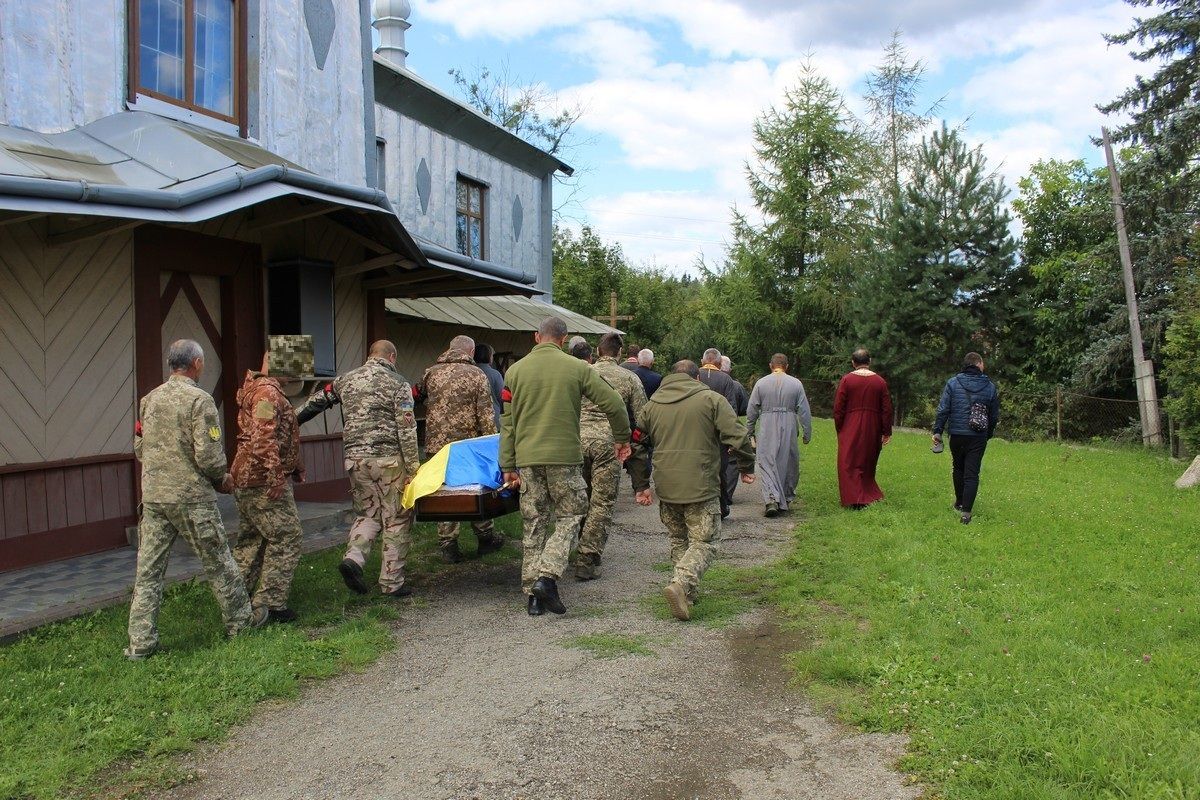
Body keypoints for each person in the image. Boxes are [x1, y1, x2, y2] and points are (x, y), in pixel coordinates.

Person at [126, 339, 265, 660]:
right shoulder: (199, 401)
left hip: (155, 499)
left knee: (148, 573)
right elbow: (209, 454)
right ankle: (241, 623)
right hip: (193, 501)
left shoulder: (149, 401)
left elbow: (139, 448)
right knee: (218, 561)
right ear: (197, 364)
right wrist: (222, 478)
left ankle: (141, 643)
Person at [500, 316, 631, 616]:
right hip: (564, 457)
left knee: (533, 523)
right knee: (571, 516)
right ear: (564, 338)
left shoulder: (514, 373)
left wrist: (508, 463)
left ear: (536, 337)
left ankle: (533, 596)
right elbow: (613, 403)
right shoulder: (577, 369)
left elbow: (507, 423)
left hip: (527, 459)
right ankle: (547, 577)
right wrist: (622, 438)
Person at [630, 360, 755, 621]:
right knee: (705, 542)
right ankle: (681, 583)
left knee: (679, 540)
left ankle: (687, 594)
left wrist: (641, 484)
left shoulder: (651, 406)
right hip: (700, 483)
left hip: (666, 484)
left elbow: (637, 445)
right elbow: (739, 436)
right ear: (697, 378)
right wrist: (746, 466)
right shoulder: (712, 400)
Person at [296, 340, 420, 596]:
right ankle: (391, 583)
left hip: (355, 461)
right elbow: (407, 429)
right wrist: (413, 469)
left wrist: (289, 422)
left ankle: (354, 559)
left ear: (370, 355)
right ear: (392, 357)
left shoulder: (345, 380)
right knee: (396, 518)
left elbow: (315, 404)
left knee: (367, 514)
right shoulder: (398, 384)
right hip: (389, 462)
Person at [230, 347, 306, 624]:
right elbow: (263, 438)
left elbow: (278, 432)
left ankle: (234, 598)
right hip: (262, 479)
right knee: (287, 536)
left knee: (253, 538)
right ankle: (271, 604)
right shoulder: (267, 393)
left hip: (249, 476)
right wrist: (276, 475)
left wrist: (294, 463)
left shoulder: (260, 389)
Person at [420, 334, 505, 562]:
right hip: (467, 446)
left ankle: (448, 545)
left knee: (443, 491)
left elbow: (419, 395)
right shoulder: (477, 374)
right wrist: (491, 444)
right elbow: (486, 414)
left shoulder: (430, 372)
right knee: (474, 488)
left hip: (436, 444)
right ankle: (485, 537)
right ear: (470, 352)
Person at [573, 333, 649, 581]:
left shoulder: (581, 372)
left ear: (597, 350)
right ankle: (587, 555)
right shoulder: (629, 377)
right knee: (602, 501)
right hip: (608, 442)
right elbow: (642, 416)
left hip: (576, 441)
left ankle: (578, 543)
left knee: (580, 497)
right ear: (619, 353)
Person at [932, 352, 1000, 525]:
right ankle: (966, 513)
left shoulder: (953, 383)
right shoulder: (990, 386)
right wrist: (988, 433)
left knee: (958, 468)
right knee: (972, 473)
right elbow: (994, 416)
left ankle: (959, 502)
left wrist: (938, 430)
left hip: (957, 433)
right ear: (979, 364)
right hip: (978, 436)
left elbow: (943, 409)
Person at [746, 353, 812, 517]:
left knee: (767, 461)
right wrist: (806, 432)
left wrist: (750, 430)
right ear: (786, 366)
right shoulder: (796, 384)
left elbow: (752, 408)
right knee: (788, 460)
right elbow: (804, 410)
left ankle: (771, 499)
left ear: (771, 365)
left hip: (768, 422)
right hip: (789, 422)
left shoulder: (761, 383)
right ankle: (786, 497)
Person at [833, 348, 893, 509]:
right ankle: (866, 493)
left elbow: (839, 407)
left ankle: (854, 497)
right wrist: (886, 431)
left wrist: (840, 426)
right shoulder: (880, 382)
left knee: (848, 460)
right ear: (870, 361)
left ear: (853, 362)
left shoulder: (847, 380)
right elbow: (886, 409)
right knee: (867, 459)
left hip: (850, 423)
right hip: (872, 424)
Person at [698, 348, 743, 517]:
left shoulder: (695, 376)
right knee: (721, 470)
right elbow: (731, 410)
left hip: (697, 430)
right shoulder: (726, 379)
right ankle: (722, 506)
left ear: (702, 362)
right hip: (718, 433)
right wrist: (731, 437)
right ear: (718, 363)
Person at [474, 342, 505, 429]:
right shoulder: (495, 374)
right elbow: (502, 397)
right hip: (492, 419)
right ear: (489, 356)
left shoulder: (468, 373)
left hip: (472, 421)